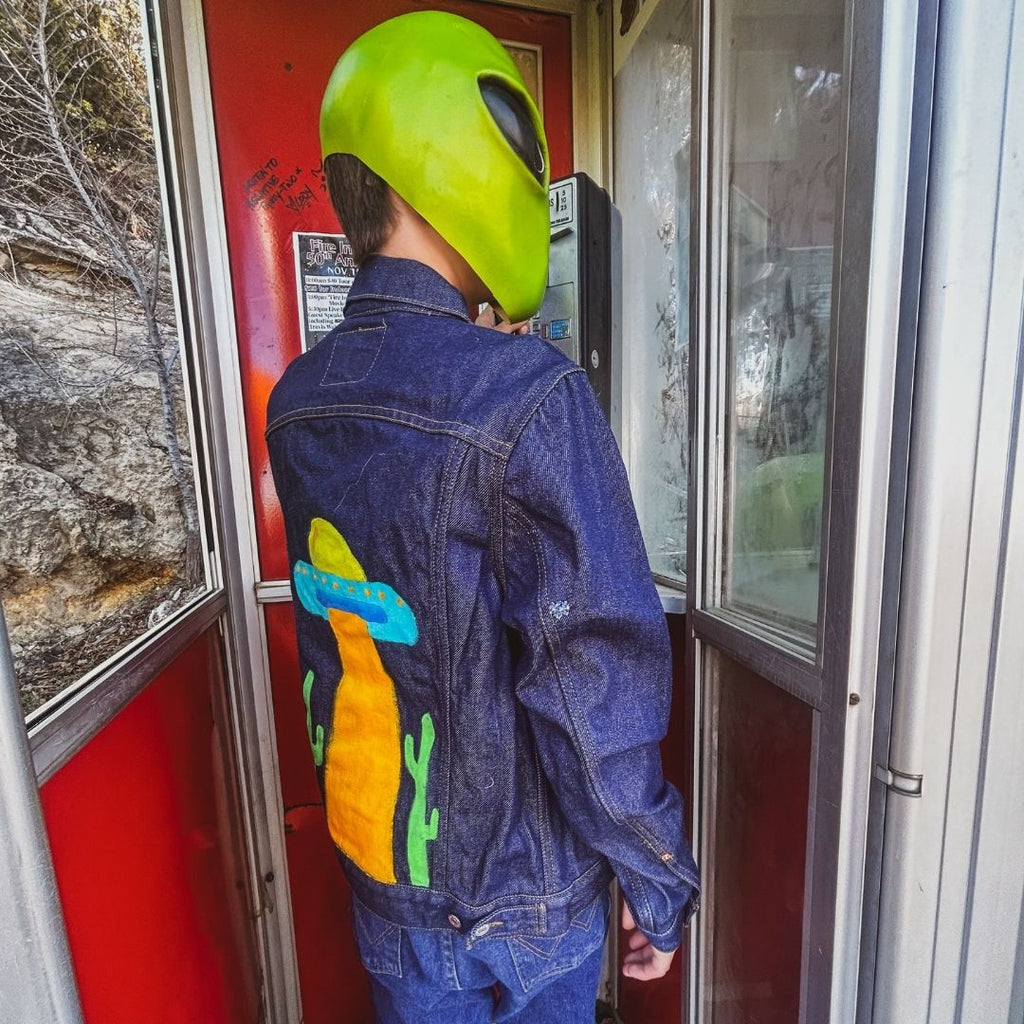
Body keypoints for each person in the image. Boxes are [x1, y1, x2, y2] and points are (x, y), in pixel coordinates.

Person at [265, 12, 699, 1023]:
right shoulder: (526, 397)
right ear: (456, 158)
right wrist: (652, 873)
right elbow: (588, 675)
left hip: (389, 886)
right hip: (527, 903)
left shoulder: (300, 399)